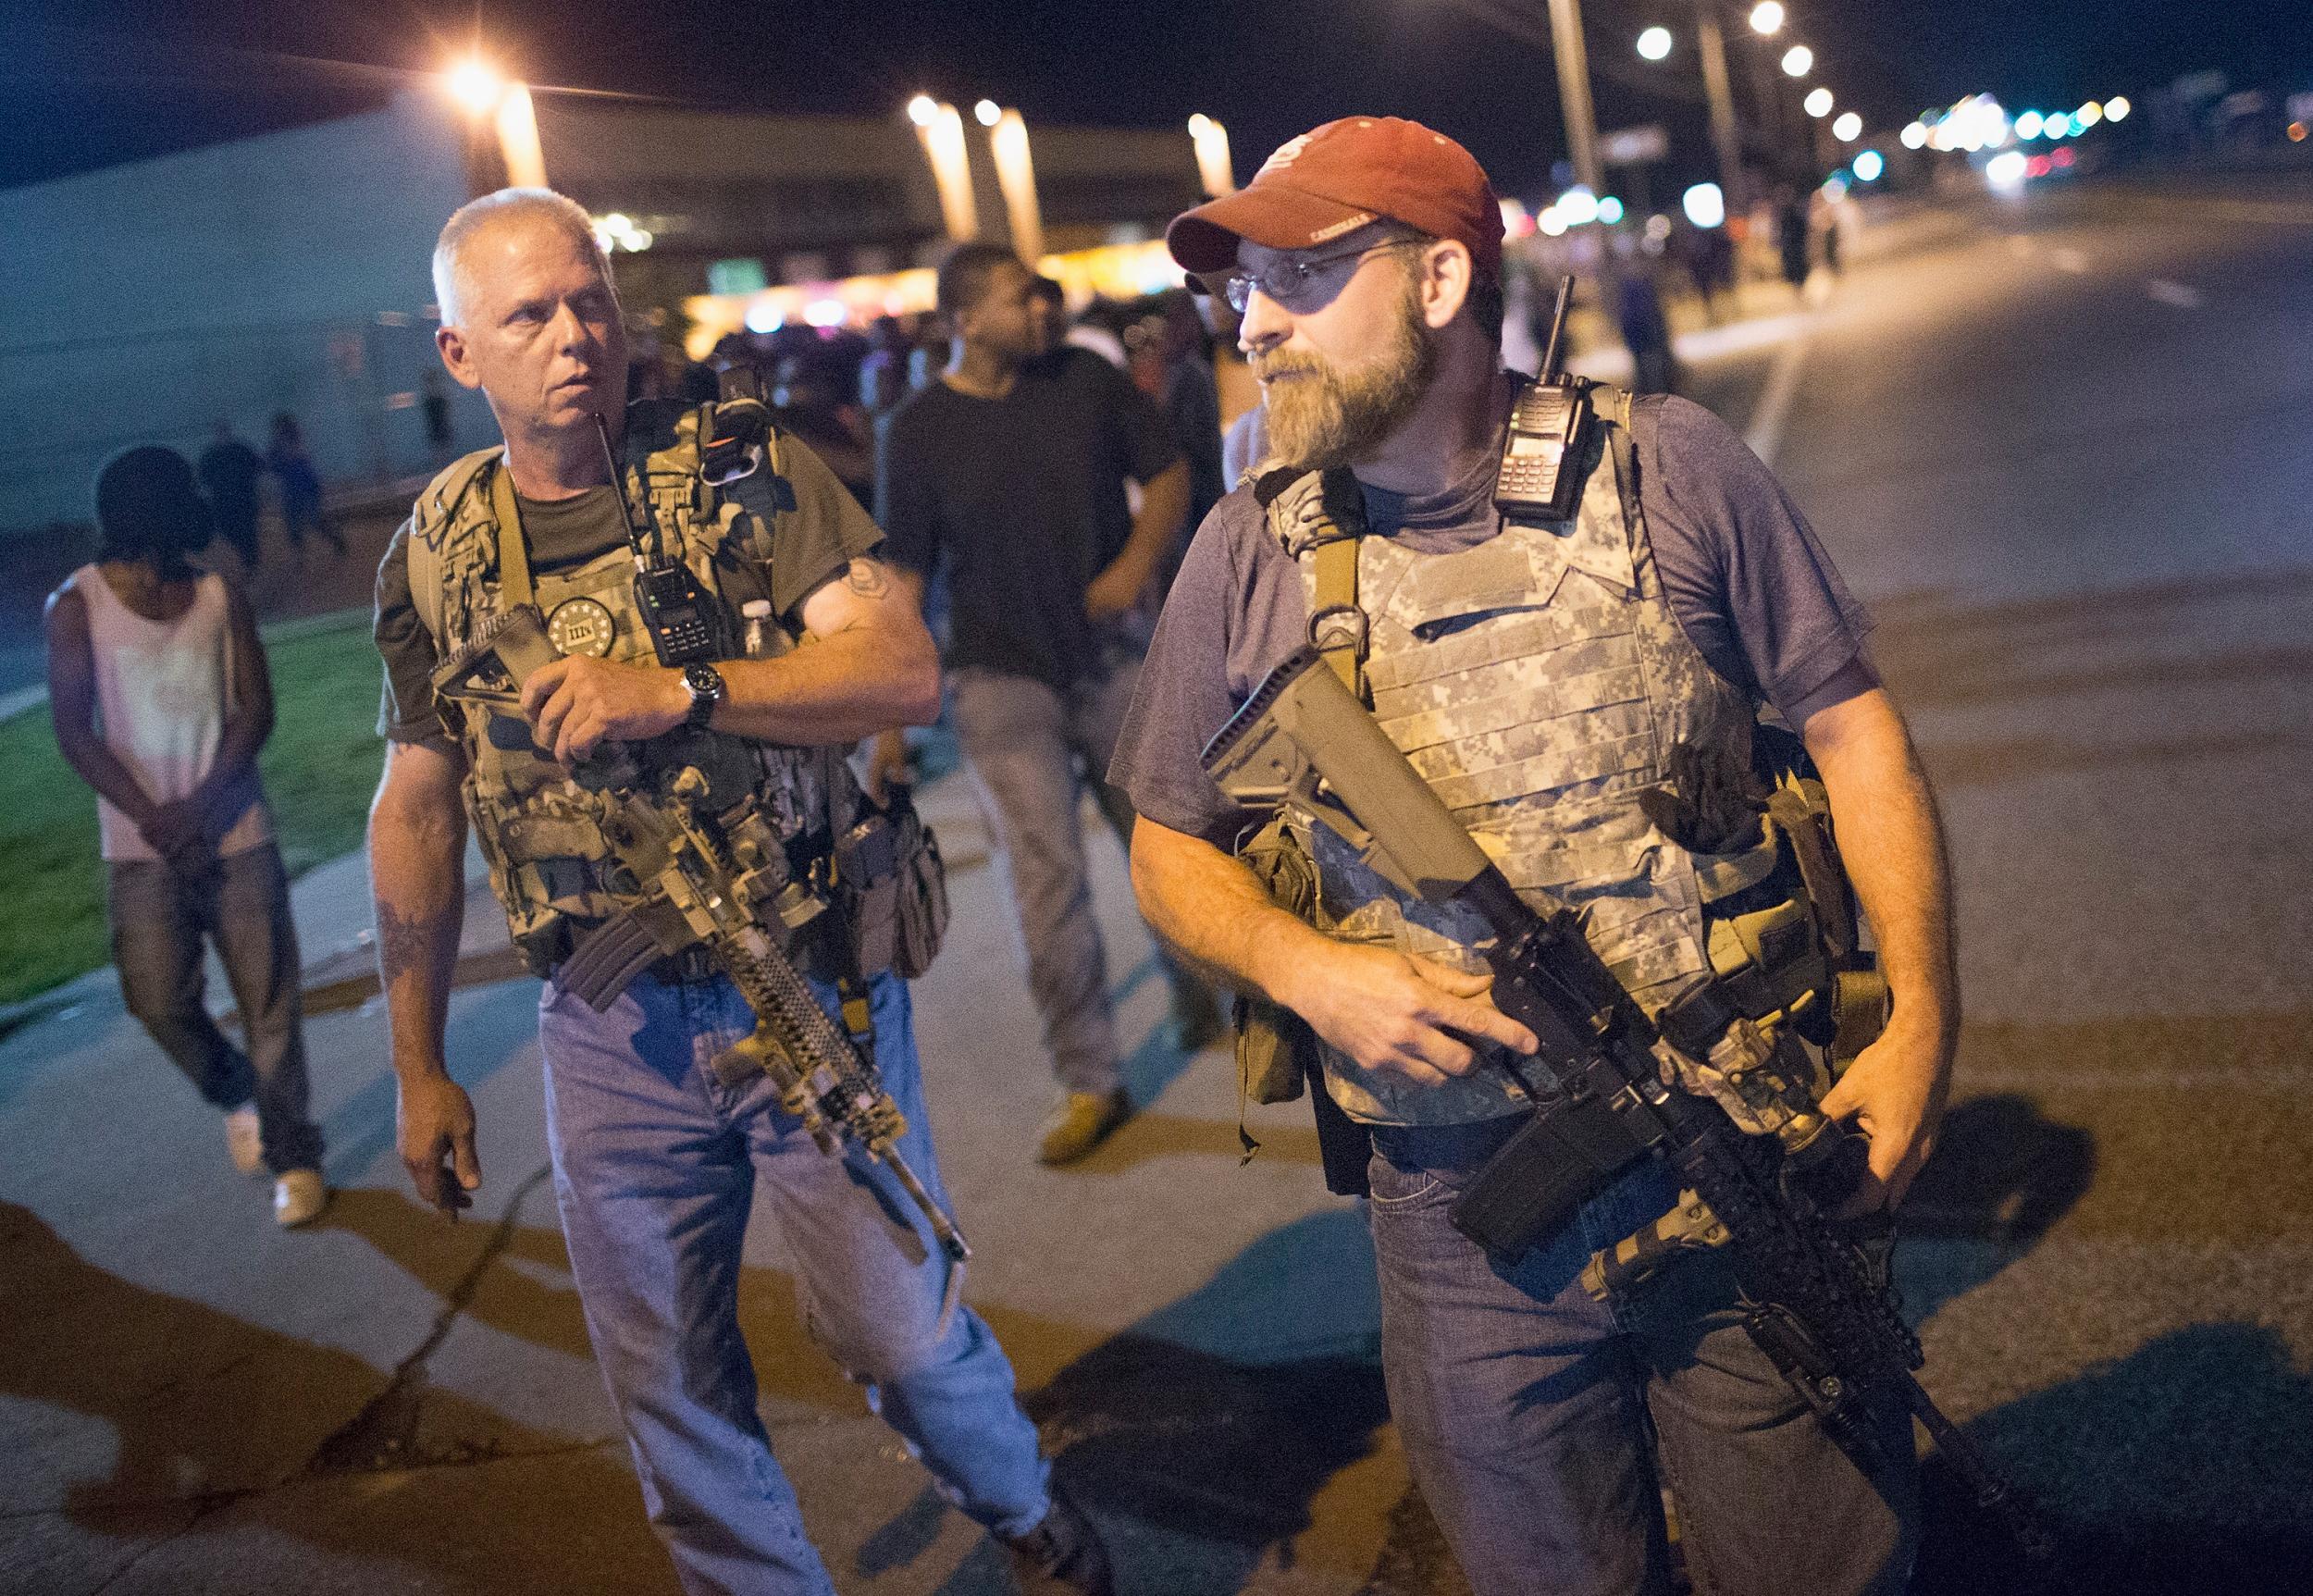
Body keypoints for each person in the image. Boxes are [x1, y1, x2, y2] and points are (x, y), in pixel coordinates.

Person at [1111, 117, 1951, 1595]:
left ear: (1440, 280)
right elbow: (1171, 843)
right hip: (1458, 1220)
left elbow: (1852, 726)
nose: (1253, 326)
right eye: (1241, 289)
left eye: (1300, 279)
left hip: (1735, 1151)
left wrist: (1926, 1024)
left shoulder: (1669, 471)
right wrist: (1312, 972)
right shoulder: (1249, 549)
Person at [368, 188, 1109, 1596]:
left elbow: (900, 669)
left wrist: (679, 689)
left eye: (591, 300)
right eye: (530, 314)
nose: (576, 334)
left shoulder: (735, 467)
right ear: (462, 355)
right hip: (608, 1028)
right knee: (665, 1379)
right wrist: (415, 1065)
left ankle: (1030, 1517)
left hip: (802, 980)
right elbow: (414, 802)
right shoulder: (443, 550)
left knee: (895, 1334)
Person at [872, 241, 1220, 1167]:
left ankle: (1207, 991)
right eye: (1018, 298)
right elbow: (904, 570)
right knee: (1047, 886)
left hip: (1110, 659)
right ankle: (1089, 1080)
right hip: (998, 682)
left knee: (1170, 845)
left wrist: (1136, 567)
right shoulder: (915, 430)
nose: (1042, 307)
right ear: (963, 321)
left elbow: (1170, 475)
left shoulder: (1085, 382)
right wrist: (888, 716)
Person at [45, 446, 327, 1227]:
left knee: (270, 1004)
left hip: (236, 832)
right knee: (157, 999)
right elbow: (75, 731)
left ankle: (295, 1153)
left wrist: (200, 806)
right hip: (142, 849)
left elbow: (254, 711)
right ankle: (234, 1090)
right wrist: (154, 813)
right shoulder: (76, 605)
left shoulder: (216, 594)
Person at [266, 411, 341, 558]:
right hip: (292, 488)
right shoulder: (278, 446)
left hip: (305, 486)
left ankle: (336, 540)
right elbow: (271, 464)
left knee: (313, 519)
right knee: (293, 522)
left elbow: (296, 462)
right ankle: (300, 553)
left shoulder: (295, 441)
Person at [195, 421, 265, 568]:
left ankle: (250, 564)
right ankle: (248, 561)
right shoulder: (212, 455)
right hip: (227, 502)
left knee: (245, 533)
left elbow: (258, 466)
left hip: (241, 500)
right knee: (233, 532)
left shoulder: (239, 449)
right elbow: (203, 477)